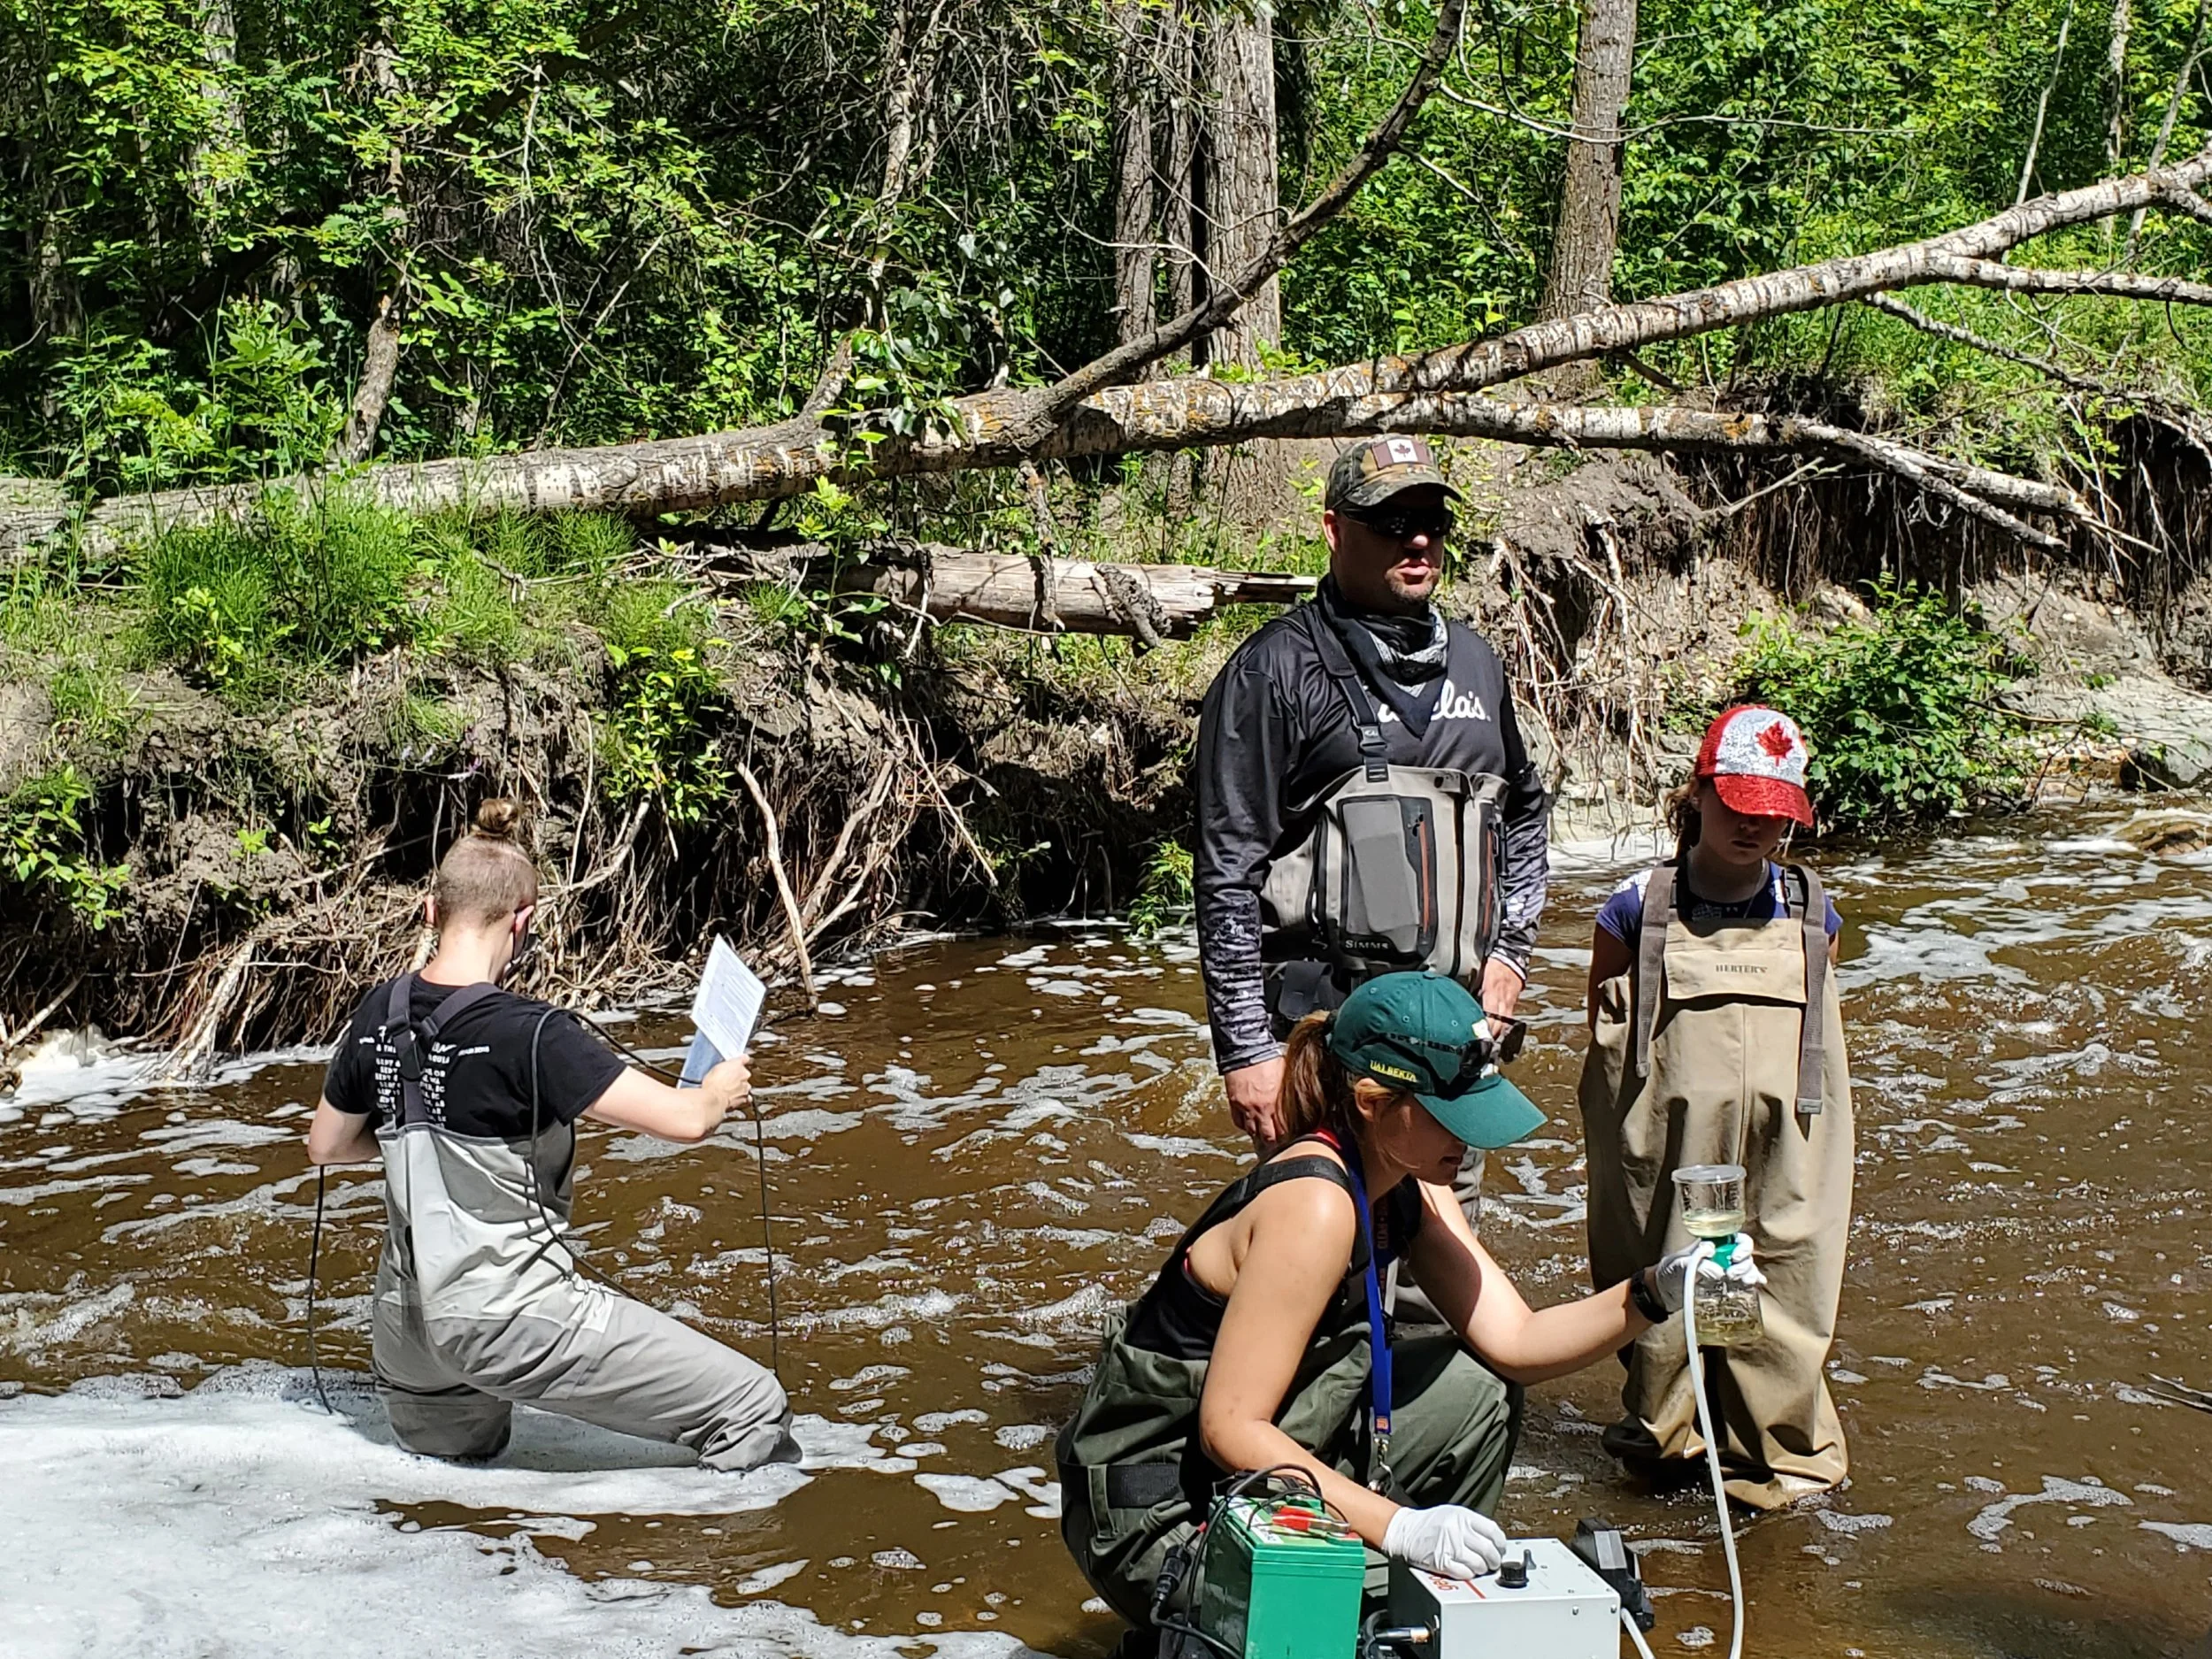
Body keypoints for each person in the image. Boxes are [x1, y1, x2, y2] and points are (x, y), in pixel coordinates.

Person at [1056, 971, 1760, 1628]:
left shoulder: (1410, 1179)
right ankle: (1326, 1617)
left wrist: (1659, 1288)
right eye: (1450, 1114)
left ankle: (1401, 1608)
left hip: (1238, 1471)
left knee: (1478, 1387)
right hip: (1155, 1517)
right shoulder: (1316, 1206)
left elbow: (1516, 1341)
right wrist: (1402, 1529)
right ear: (1372, 1103)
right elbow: (1230, 1429)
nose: (1469, 1137)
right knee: (1380, 1593)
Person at [304, 799, 799, 1471]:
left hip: (408, 1332)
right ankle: (689, 1566)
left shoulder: (376, 1012)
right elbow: (686, 1120)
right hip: (506, 1319)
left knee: (463, 1479)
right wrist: (719, 1089)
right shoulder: (533, 1033)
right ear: (525, 920)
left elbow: (327, 1145)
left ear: (431, 911)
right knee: (754, 1408)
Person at [1194, 436, 1548, 1282]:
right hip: (1319, 1040)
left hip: (1449, 1037)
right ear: (1333, 530)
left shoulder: (1477, 664)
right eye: (1391, 523)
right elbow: (1227, 869)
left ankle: (1429, 1406)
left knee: (1439, 1273)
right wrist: (1247, 1050)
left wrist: (1511, 955)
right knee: (1318, 1266)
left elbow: (1527, 814)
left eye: (1429, 522)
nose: (1417, 541)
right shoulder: (1274, 670)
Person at [1578, 705, 1852, 1508]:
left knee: (1784, 1273)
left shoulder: (1811, 909)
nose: (1754, 828)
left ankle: (1775, 1453)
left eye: (1774, 814)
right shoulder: (1637, 905)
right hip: (1671, 1132)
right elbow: (1603, 1023)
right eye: (1737, 806)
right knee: (1677, 1267)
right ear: (1697, 793)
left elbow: (1822, 1026)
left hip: (1786, 1128)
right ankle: (1672, 1436)